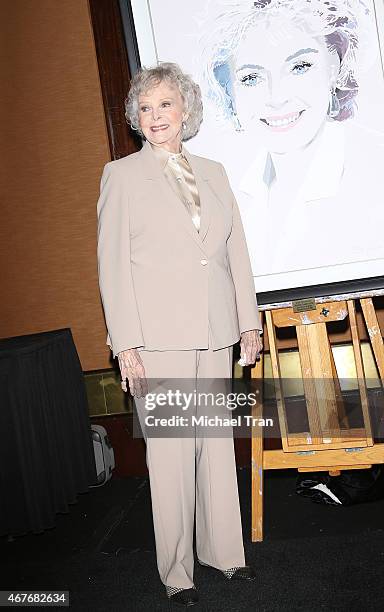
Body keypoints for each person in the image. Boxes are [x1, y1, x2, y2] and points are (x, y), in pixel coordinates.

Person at [96, 62, 263, 607]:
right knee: (170, 458)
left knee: (215, 449)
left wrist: (247, 322)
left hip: (216, 331)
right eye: (145, 108)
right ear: (136, 119)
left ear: (185, 110)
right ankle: (177, 574)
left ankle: (227, 556)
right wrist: (125, 344)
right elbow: (112, 268)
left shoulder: (214, 171)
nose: (155, 116)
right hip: (157, 339)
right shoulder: (120, 176)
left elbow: (234, 252)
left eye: (165, 104)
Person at [201, 0, 384, 284]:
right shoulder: (225, 196)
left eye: (299, 66)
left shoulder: (377, 170)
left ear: (335, 67)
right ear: (230, 92)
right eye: (251, 77)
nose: (277, 96)